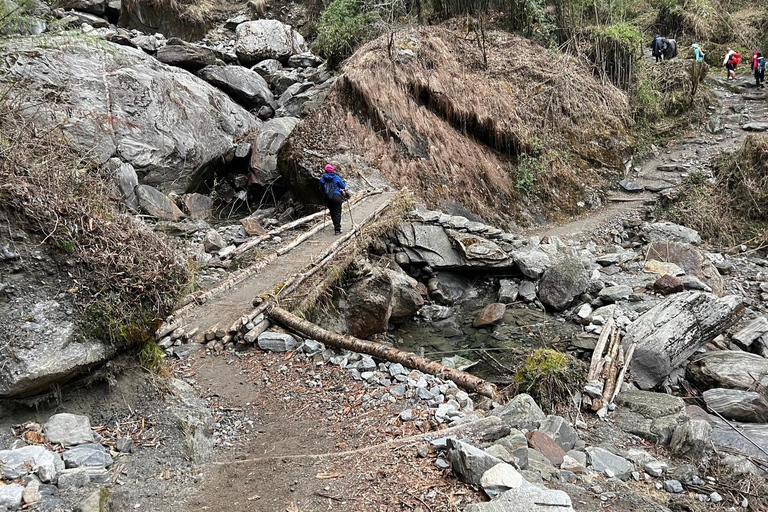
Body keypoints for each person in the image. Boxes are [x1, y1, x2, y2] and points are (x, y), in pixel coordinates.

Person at [318, 163, 348, 235]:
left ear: (325, 170)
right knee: (337, 212)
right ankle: (337, 229)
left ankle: (335, 225)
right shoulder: (336, 177)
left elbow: (321, 189)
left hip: (328, 198)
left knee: (332, 212)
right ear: (332, 170)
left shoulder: (323, 179)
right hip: (336, 196)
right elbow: (343, 186)